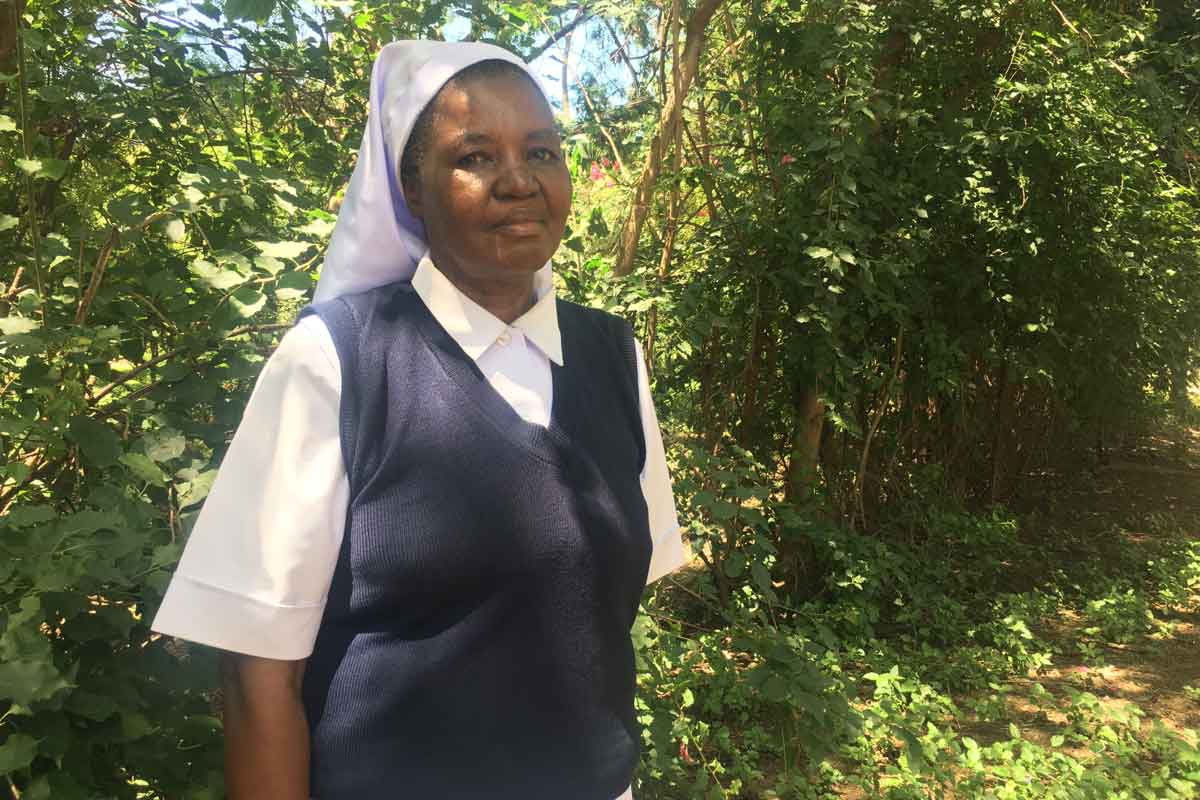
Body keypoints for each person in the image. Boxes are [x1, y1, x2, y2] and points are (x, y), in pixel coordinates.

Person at [151, 40, 688, 800]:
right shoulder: (340, 362)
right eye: (475, 156)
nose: (519, 182)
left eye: (541, 151)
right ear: (412, 187)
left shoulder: (612, 357)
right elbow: (257, 675)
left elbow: (603, 604)